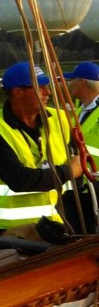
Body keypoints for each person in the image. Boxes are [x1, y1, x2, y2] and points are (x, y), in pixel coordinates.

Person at [0, 62, 82, 235]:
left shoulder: (60, 119)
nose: (47, 92)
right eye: (40, 88)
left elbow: (79, 164)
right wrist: (70, 171)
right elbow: (20, 180)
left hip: (63, 225)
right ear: (18, 92)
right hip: (15, 232)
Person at [62, 61, 99, 233]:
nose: (68, 84)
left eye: (72, 80)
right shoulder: (79, 111)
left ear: (82, 83)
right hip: (84, 189)